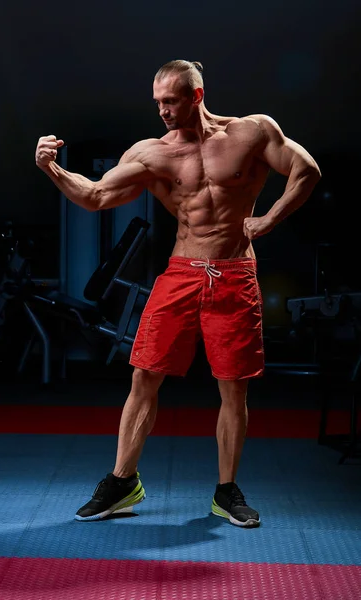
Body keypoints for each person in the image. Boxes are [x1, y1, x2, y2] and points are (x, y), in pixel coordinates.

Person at [35, 59, 321, 527]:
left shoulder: (251, 133)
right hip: (181, 272)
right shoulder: (153, 154)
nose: (163, 111)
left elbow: (306, 170)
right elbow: (96, 196)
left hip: (235, 273)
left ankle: (227, 491)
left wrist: (268, 220)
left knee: (233, 388)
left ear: (197, 95)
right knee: (144, 376)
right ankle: (122, 481)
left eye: (171, 101)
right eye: (158, 103)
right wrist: (51, 169)